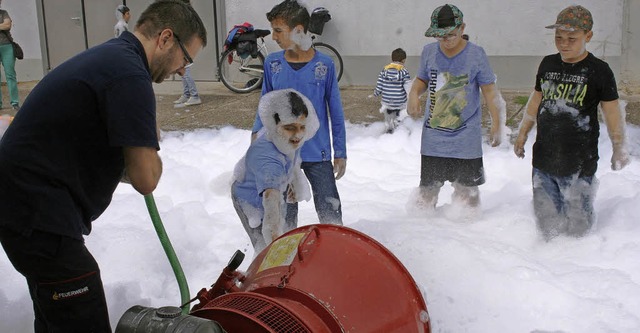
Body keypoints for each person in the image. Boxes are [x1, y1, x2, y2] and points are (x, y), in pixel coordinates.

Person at [0, 1, 206, 331]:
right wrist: (148, 143)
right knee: (82, 313)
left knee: (57, 318)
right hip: (38, 213)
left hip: (24, 210)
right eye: (187, 58)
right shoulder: (130, 75)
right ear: (166, 38)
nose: (183, 70)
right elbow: (145, 178)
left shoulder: (113, 58)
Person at [513, 5, 630, 240]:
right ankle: (547, 265)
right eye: (558, 37)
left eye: (571, 38)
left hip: (579, 165)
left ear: (588, 36)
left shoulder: (599, 71)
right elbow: (537, 99)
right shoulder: (548, 64)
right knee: (547, 225)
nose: (564, 44)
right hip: (544, 160)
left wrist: (619, 146)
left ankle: (577, 263)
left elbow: (612, 112)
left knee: (578, 227)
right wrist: (523, 132)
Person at [252, 0, 346, 228]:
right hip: (281, 153)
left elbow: (335, 110)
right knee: (284, 216)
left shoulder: (324, 65)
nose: (273, 37)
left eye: (278, 31)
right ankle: (287, 257)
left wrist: (340, 151)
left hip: (318, 152)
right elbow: (265, 104)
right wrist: (256, 135)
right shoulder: (273, 64)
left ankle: (334, 252)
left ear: (299, 31)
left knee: (330, 211)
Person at [407, 4, 504, 215]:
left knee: (466, 197)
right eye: (440, 37)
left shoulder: (476, 55)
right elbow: (422, 79)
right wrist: (414, 94)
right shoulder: (428, 52)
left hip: (465, 139)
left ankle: (463, 236)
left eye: (451, 35)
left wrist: (497, 123)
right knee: (426, 195)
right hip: (434, 139)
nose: (446, 41)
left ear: (462, 28)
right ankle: (425, 234)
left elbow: (489, 91)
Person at [233, 89, 319, 253]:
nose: (298, 134)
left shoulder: (287, 139)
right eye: (290, 127)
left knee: (286, 238)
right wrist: (276, 248)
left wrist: (292, 180)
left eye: (302, 127)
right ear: (273, 124)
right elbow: (271, 209)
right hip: (249, 199)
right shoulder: (268, 160)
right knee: (264, 249)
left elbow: (291, 158)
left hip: (272, 186)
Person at [373, 47, 411, 133]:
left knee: (388, 117)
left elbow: (380, 83)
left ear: (392, 58)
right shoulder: (404, 71)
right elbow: (407, 85)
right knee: (399, 117)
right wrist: (411, 95)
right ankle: (399, 131)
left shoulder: (384, 70)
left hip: (387, 101)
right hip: (399, 101)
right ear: (403, 60)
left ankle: (389, 130)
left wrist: (376, 92)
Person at [173, 0, 201, 106]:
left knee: (185, 70)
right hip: (182, 46)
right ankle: (186, 94)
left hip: (185, 47)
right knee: (182, 70)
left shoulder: (187, 16)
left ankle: (194, 96)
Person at [0, 0, 19, 111]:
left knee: (10, 74)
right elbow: (4, 24)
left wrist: (4, 25)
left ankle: (15, 102)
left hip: (7, 46)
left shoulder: (3, 13)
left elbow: (7, 25)